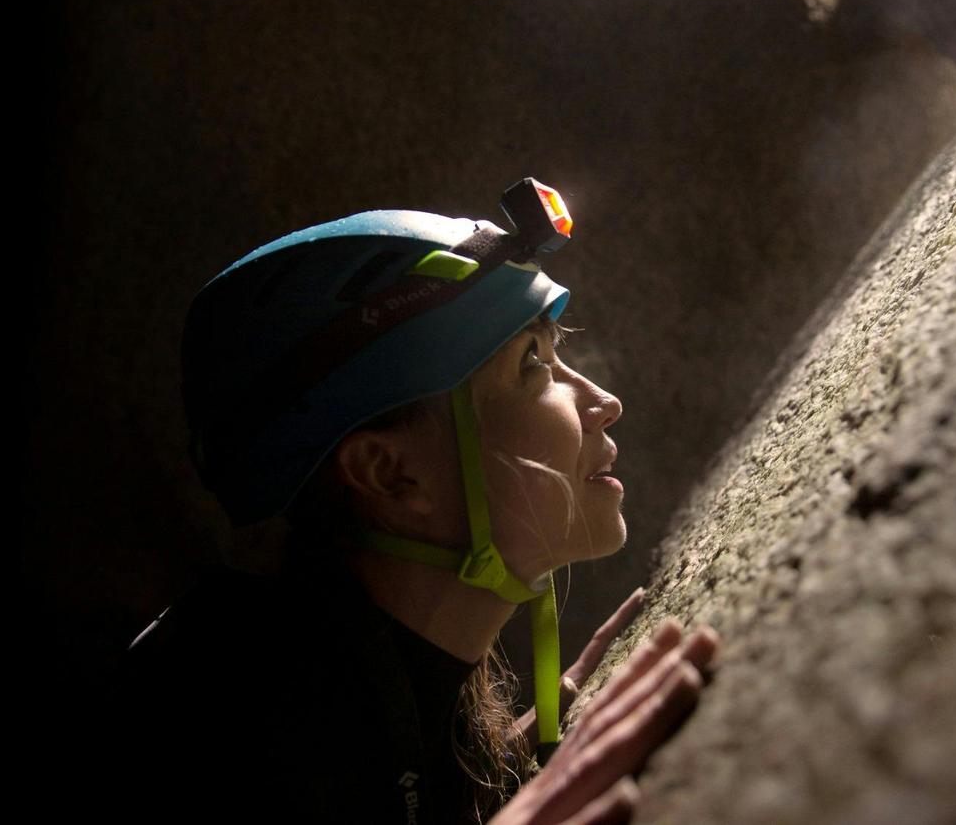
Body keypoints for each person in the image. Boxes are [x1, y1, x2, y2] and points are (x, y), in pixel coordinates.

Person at [113, 179, 719, 822]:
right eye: (532, 364)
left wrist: (482, 786)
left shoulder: (373, 703)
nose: (602, 402)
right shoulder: (209, 730)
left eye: (555, 349)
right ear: (388, 472)